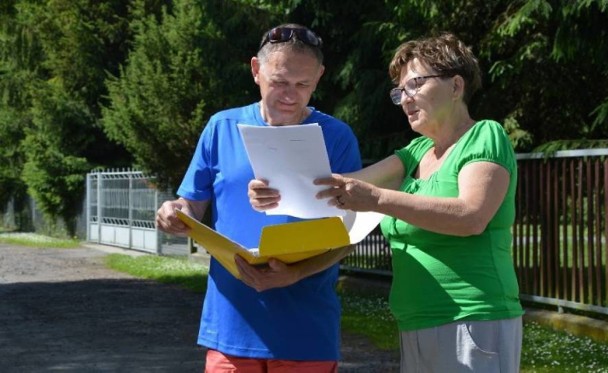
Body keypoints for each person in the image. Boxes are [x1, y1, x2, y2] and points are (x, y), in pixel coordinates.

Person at [249, 32, 524, 372]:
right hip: (416, 321)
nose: (405, 99)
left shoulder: (484, 135)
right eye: (400, 91)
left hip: (473, 319)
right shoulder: (416, 152)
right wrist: (273, 188)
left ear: (456, 86)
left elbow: (470, 217)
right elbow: (340, 186)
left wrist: (378, 200)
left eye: (415, 85)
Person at [156, 23, 361, 372]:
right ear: (256, 70)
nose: (290, 95)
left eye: (303, 85)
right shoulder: (221, 127)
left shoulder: (337, 138)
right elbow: (190, 205)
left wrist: (295, 274)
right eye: (279, 82)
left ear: (320, 77)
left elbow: (351, 234)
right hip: (231, 326)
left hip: (305, 332)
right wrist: (173, 213)